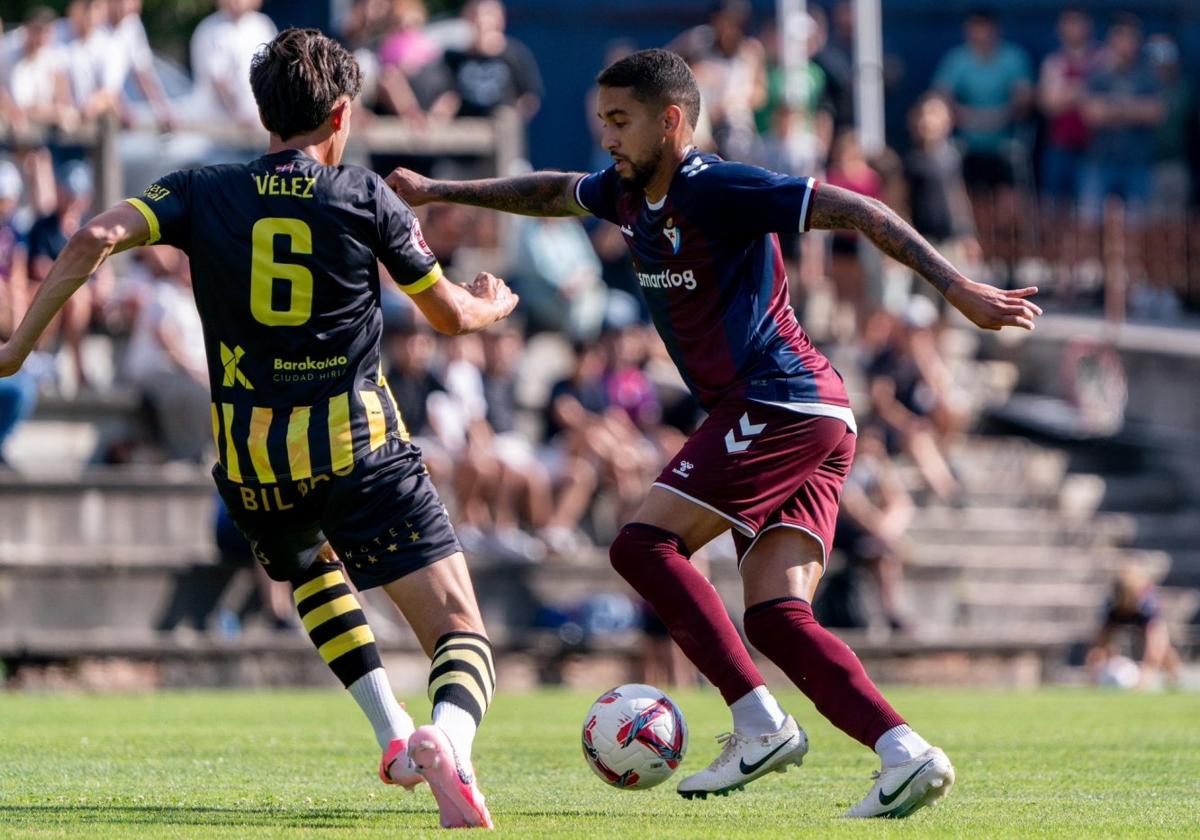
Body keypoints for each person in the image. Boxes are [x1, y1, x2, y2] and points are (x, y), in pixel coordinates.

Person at [389, 48, 1042, 817]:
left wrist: (957, 286)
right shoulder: (628, 194)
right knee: (775, 614)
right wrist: (438, 190)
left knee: (641, 545)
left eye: (622, 122)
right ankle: (905, 753)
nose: (608, 137)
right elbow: (549, 193)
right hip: (808, 413)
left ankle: (758, 722)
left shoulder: (718, 186)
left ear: (672, 122)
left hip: (781, 399)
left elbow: (855, 209)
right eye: (603, 120)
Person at [0, 29, 518, 830]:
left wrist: (16, 348)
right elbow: (449, 316)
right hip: (358, 447)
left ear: (263, 113)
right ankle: (447, 737)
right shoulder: (363, 195)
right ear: (341, 113)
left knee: (310, 569)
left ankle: (389, 738)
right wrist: (495, 301)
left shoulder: (202, 190)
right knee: (459, 626)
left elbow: (95, 235)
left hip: (253, 462)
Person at [1086, 566, 1180, 691]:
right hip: (1119, 614)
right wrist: (1094, 675)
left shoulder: (1147, 605)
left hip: (1145, 620)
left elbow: (1155, 649)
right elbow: (1099, 644)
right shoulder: (1112, 606)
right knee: (1103, 647)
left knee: (1164, 649)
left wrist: (1144, 680)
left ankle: (1174, 679)